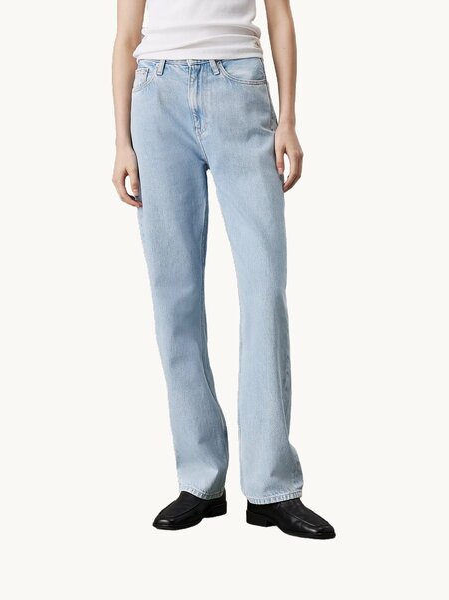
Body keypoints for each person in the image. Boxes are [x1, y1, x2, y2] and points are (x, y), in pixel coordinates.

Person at [111, 0, 335, 539]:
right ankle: (200, 479)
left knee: (264, 289)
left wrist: (288, 119)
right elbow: (126, 35)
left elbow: (280, 17)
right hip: (156, 95)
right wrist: (121, 141)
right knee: (175, 297)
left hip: (239, 88)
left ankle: (272, 486)